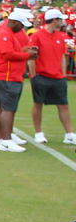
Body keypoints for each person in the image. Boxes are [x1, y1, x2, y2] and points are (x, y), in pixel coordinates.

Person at [0, 9, 38, 152]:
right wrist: (27, 55)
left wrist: (26, 50)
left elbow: (13, 50)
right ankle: (6, 140)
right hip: (7, 75)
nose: (22, 28)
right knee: (8, 109)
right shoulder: (4, 33)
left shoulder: (7, 32)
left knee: (2, 107)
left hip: (7, 75)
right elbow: (7, 53)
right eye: (21, 25)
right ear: (14, 22)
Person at [29, 9, 76, 144]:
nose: (62, 22)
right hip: (41, 75)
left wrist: (63, 75)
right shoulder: (37, 36)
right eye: (60, 19)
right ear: (54, 20)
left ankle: (69, 134)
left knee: (63, 105)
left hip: (58, 77)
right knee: (38, 104)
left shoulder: (61, 36)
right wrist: (34, 76)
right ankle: (38, 133)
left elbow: (62, 56)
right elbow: (32, 57)